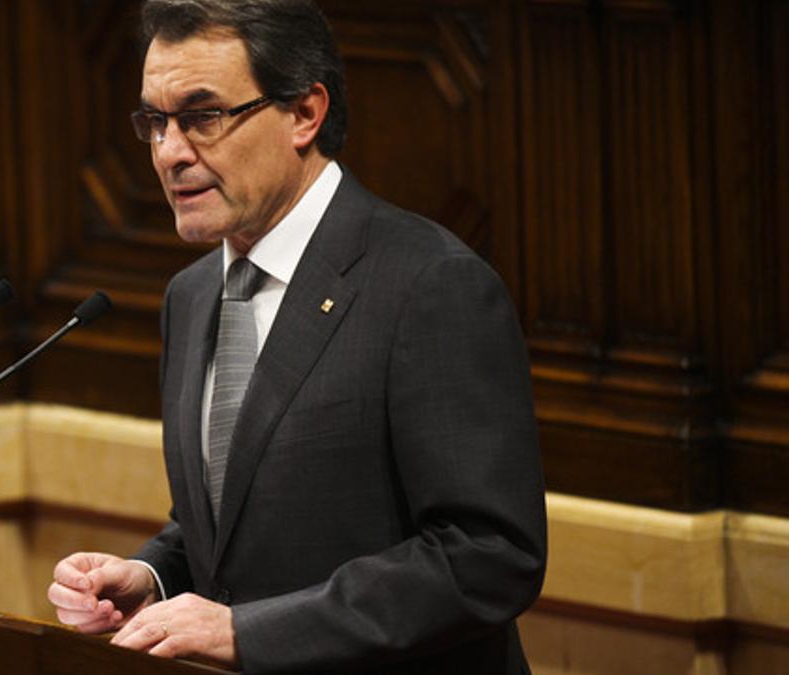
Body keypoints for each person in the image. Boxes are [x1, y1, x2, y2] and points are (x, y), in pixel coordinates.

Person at [47, 1, 547, 672]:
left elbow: (488, 555)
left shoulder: (430, 284)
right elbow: (237, 525)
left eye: (202, 116)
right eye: (155, 122)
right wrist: (155, 574)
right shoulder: (190, 296)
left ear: (305, 114)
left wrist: (248, 632)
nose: (169, 152)